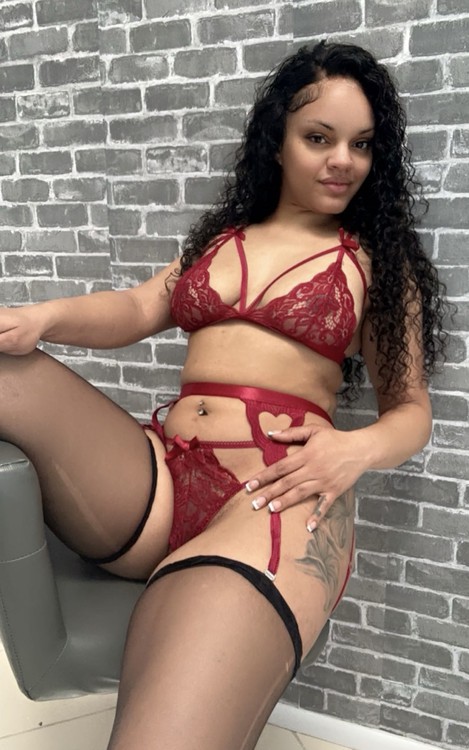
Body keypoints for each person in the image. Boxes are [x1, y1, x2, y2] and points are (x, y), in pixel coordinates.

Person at [0, 40, 447, 750]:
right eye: (319, 138)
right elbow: (137, 308)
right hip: (158, 482)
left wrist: (353, 450)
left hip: (273, 495)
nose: (343, 160)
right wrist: (42, 319)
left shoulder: (378, 266)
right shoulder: (220, 239)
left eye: (361, 144)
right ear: (278, 141)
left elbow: (411, 410)